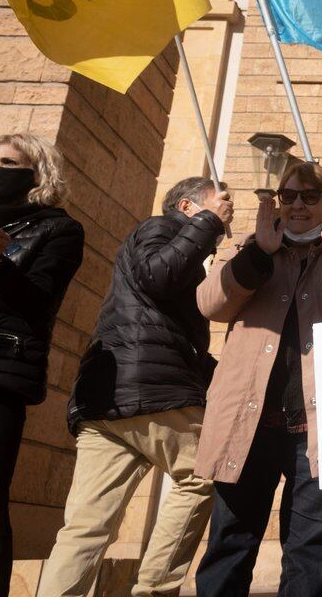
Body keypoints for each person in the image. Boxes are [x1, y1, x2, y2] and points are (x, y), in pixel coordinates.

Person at [193, 161, 322, 597]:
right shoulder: (250, 244)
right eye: (289, 195)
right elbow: (210, 304)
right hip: (250, 423)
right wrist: (259, 253)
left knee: (310, 552)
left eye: (310, 196)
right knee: (230, 543)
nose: (298, 204)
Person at [39, 176, 234, 596]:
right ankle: (154, 590)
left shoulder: (174, 242)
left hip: (108, 400)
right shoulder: (160, 228)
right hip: (148, 391)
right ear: (186, 207)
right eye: (221, 202)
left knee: (86, 528)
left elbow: (167, 320)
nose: (227, 210)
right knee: (202, 473)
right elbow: (155, 278)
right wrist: (208, 225)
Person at [0, 133, 84, 597]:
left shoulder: (58, 229)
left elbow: (39, 300)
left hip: (0, 368)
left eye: (8, 162)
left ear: (36, 172)